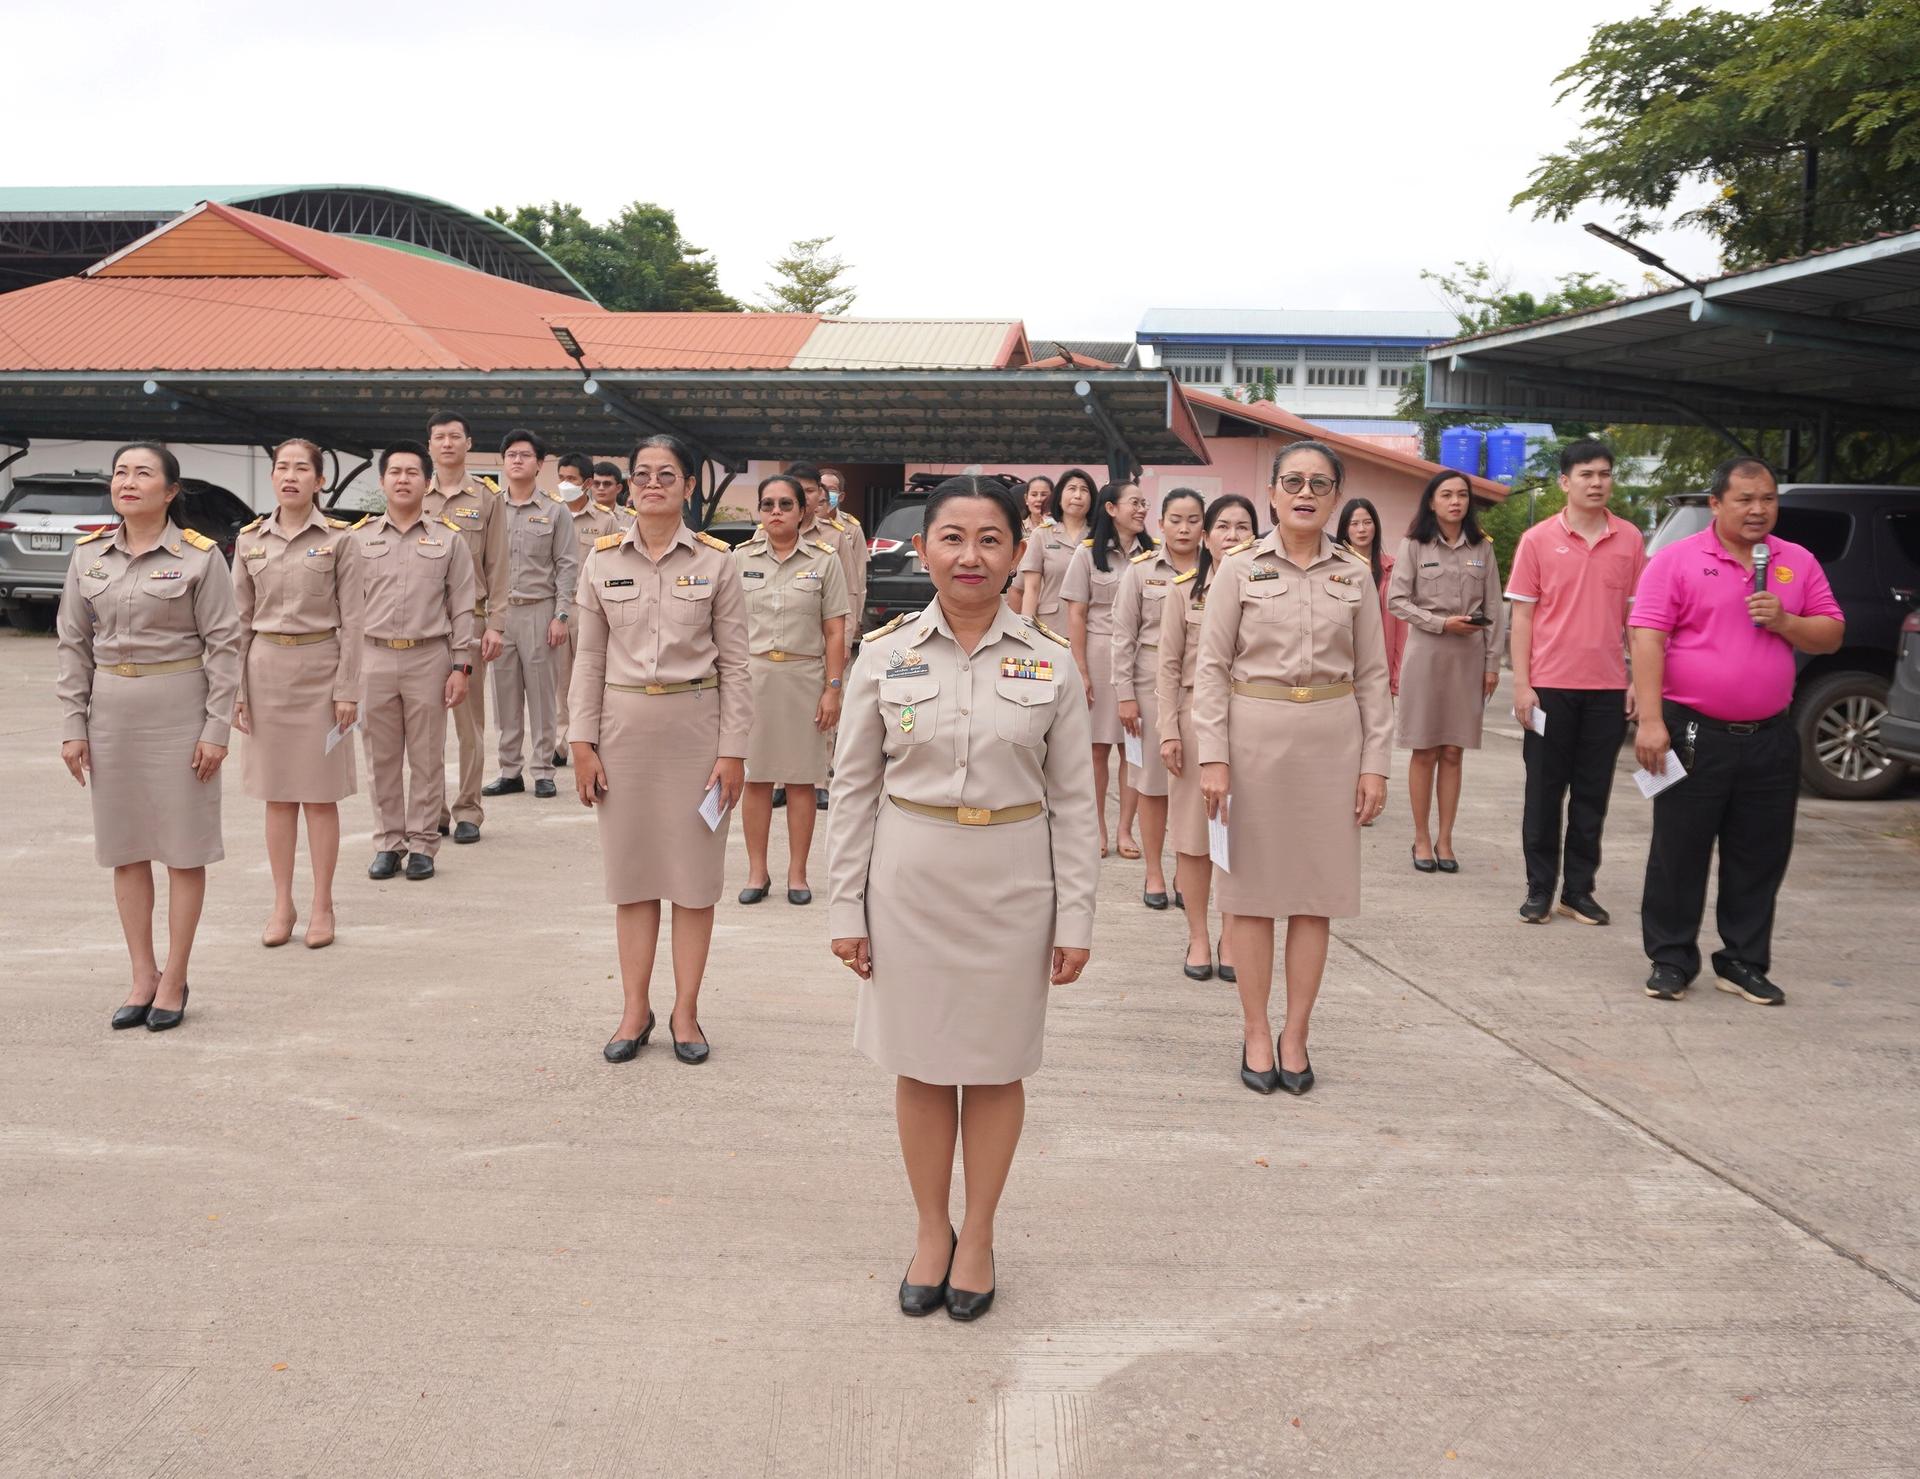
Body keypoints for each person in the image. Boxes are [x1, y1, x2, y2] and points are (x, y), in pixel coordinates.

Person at [826, 475, 1098, 1321]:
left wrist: (1077, 916)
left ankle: (978, 1233)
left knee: (993, 1066)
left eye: (989, 538)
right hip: (910, 878)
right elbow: (854, 788)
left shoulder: (1053, 663)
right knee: (919, 1063)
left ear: (1019, 551)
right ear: (925, 548)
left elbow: (1079, 801)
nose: (969, 555)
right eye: (952, 536)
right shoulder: (886, 653)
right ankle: (929, 1229)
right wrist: (846, 908)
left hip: (1014, 882)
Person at [1194, 443, 1392, 1095]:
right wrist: (1214, 756)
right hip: (1253, 742)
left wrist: (1375, 764)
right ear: (1273, 493)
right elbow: (1212, 669)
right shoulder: (1239, 568)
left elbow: (1373, 674)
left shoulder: (1354, 574)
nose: (1305, 492)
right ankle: (1255, 1028)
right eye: (1293, 482)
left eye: (1320, 483)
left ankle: (1296, 1032)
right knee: (1250, 898)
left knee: (1315, 898)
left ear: (1336, 495)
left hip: (1332, 743)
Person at [1630, 457, 1843, 1005]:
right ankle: (1671, 959)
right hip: (1693, 731)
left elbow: (1832, 634)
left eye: (1767, 499)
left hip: (1770, 735)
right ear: (1716, 503)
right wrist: (1651, 722)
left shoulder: (1797, 562)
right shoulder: (1677, 561)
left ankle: (1742, 962)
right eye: (1745, 499)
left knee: (1760, 854)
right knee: (1680, 850)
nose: (1758, 509)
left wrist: (1786, 622)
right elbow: (1647, 638)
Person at [569, 434, 750, 1065]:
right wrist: (581, 741)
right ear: (627, 485)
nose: (652, 484)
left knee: (693, 883)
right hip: (621, 733)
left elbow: (737, 664)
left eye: (666, 475)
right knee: (633, 878)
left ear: (688, 486)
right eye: (642, 474)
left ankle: (686, 1012)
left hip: (696, 734)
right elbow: (588, 657)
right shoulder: (600, 562)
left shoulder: (718, 563)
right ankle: (634, 1008)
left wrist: (734, 751)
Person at [57, 442, 242, 1034]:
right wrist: (72, 726)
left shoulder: (200, 557)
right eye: (120, 473)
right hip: (110, 715)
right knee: (126, 849)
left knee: (183, 851)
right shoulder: (89, 558)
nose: (127, 482)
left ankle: (175, 977)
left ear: (169, 492)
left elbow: (224, 645)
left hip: (180, 713)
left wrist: (217, 729)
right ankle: (142, 973)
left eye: (142, 473)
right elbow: (73, 645)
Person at [1508, 440, 1647, 926]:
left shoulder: (1629, 539)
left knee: (1593, 794)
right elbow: (1522, 617)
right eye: (1586, 474)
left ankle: (1579, 890)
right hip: (1549, 689)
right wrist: (1522, 686)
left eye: (1605, 474)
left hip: (1607, 689)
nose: (1597, 483)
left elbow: (1637, 617)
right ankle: (1540, 888)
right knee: (1544, 794)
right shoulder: (1538, 540)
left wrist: (1638, 681)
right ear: (1565, 482)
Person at [231, 438, 363, 950]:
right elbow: (237, 623)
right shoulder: (249, 541)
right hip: (265, 671)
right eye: (282, 467)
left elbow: (354, 620)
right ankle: (282, 902)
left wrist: (348, 689)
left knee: (320, 795)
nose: (290, 476)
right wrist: (237, 692)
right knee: (277, 795)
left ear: (319, 480)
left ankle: (322, 905)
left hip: (320, 672)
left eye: (301, 468)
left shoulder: (339, 540)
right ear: (273, 478)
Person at [353, 441, 477, 882]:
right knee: (380, 758)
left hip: (429, 657)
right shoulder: (358, 539)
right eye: (395, 472)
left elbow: (464, 605)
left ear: (428, 483)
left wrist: (461, 666)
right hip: (373, 656)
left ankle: (422, 843)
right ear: (382, 481)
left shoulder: (448, 540)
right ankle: (389, 842)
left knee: (426, 756)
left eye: (412, 473)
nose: (403, 479)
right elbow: (344, 607)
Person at [734, 474, 849, 905]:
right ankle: (757, 871)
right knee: (757, 779)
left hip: (804, 680)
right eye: (768, 505)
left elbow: (835, 631)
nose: (776, 512)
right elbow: (726, 629)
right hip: (754, 680)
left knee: (802, 782)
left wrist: (832, 689)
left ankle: (797, 874)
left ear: (804, 511)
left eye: (786, 504)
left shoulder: (824, 560)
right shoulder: (738, 558)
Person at [1156, 493, 1257, 981]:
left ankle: (1232, 935)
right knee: (1195, 840)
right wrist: (1167, 731)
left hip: (1254, 724)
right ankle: (1198, 935)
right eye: (1223, 527)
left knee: (1238, 840)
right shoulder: (1182, 591)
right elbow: (1168, 668)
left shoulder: (1264, 589)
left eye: (1242, 527)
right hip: (1195, 725)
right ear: (1206, 536)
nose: (1232, 536)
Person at [1388, 472, 1503, 872]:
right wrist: (1439, 623)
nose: (1456, 501)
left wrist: (1492, 664)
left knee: (1453, 751)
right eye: (1446, 495)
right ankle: (1420, 838)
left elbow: (1496, 609)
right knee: (1424, 749)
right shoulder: (1414, 545)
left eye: (1462, 495)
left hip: (1468, 658)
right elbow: (1396, 600)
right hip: (1428, 653)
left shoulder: (1482, 548)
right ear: (1432, 502)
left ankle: (1445, 840)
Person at [1114, 487, 1203, 908]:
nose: (1184, 528)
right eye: (1176, 520)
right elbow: (1123, 637)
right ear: (1161, 524)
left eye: (1193, 520)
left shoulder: (1219, 570)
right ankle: (1154, 871)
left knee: (1192, 787)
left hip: (1201, 688)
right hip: (1150, 686)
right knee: (1152, 786)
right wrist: (1124, 695)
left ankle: (1188, 871)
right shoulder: (1140, 571)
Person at [480, 428, 578, 801]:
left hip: (540, 611)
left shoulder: (555, 511)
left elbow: (567, 565)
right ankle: (509, 771)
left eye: (525, 455)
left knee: (541, 697)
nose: (517, 460)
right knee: (504, 698)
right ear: (503, 462)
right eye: (510, 455)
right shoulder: (490, 508)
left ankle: (542, 771)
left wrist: (561, 616)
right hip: (500, 615)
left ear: (539, 464)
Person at [424, 410, 507, 844]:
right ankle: (431, 809)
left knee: (468, 722)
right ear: (429, 445)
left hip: (469, 621)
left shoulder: (488, 497)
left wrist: (496, 623)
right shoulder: (415, 492)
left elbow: (498, 566)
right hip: (421, 625)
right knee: (424, 723)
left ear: (469, 443)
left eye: (455, 436)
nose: (447, 443)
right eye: (439, 437)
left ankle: (469, 809)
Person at [1061, 482, 1153, 858]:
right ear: (1112, 508)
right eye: (1135, 503)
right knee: (1098, 751)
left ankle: (1125, 830)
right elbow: (1076, 614)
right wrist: (1080, 669)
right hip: (1099, 655)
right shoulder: (1087, 555)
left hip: (1141, 660)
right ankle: (1097, 827)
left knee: (1134, 749)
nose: (1142, 509)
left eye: (1144, 503)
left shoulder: (1153, 555)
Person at [555, 455, 627, 764]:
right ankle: (559, 743)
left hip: (591, 609)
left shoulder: (605, 519)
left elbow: (612, 566)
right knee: (559, 679)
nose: (564, 484)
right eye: (561, 477)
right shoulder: (552, 514)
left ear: (585, 484)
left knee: (592, 676)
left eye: (571, 479)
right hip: (558, 606)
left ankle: (592, 737)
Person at [793, 461, 867, 658]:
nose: (805, 496)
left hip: (826, 632)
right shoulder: (767, 534)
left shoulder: (840, 533)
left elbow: (854, 586)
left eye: (811, 490)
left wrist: (847, 636)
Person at [1336, 497, 1405, 697]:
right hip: (1341, 670)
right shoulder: (1334, 569)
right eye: (1354, 524)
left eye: (1367, 522)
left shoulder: (1393, 569)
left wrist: (1397, 675)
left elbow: (1401, 629)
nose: (1362, 529)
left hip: (1379, 669)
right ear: (1344, 529)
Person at [1016, 467, 1094, 626]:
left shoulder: (1100, 537)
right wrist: (1026, 628)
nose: (1077, 495)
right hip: (1051, 626)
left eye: (1084, 490)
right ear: (1059, 497)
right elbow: (1031, 587)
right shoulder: (1041, 535)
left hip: (1091, 627)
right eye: (1071, 489)